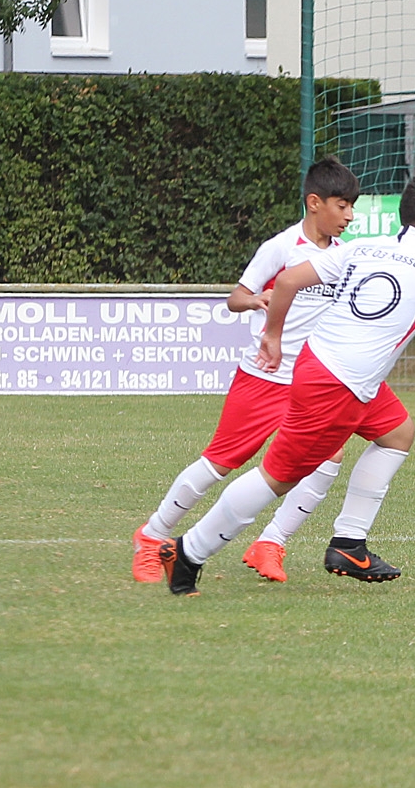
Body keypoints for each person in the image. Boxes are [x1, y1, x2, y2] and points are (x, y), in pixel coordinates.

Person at [159, 172, 415, 595]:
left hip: (327, 367)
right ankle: (188, 552)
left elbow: (287, 281)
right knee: (278, 476)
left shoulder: (364, 247)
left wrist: (272, 336)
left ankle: (349, 543)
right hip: (339, 384)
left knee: (397, 433)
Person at [132, 156, 360, 585]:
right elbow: (235, 298)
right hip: (265, 377)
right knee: (221, 461)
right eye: (342, 205)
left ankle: (271, 543)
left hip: (313, 379)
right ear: (315, 203)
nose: (349, 216)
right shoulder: (282, 247)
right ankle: (152, 536)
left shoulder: (345, 255)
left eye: (351, 207)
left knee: (329, 456)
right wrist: (256, 301)